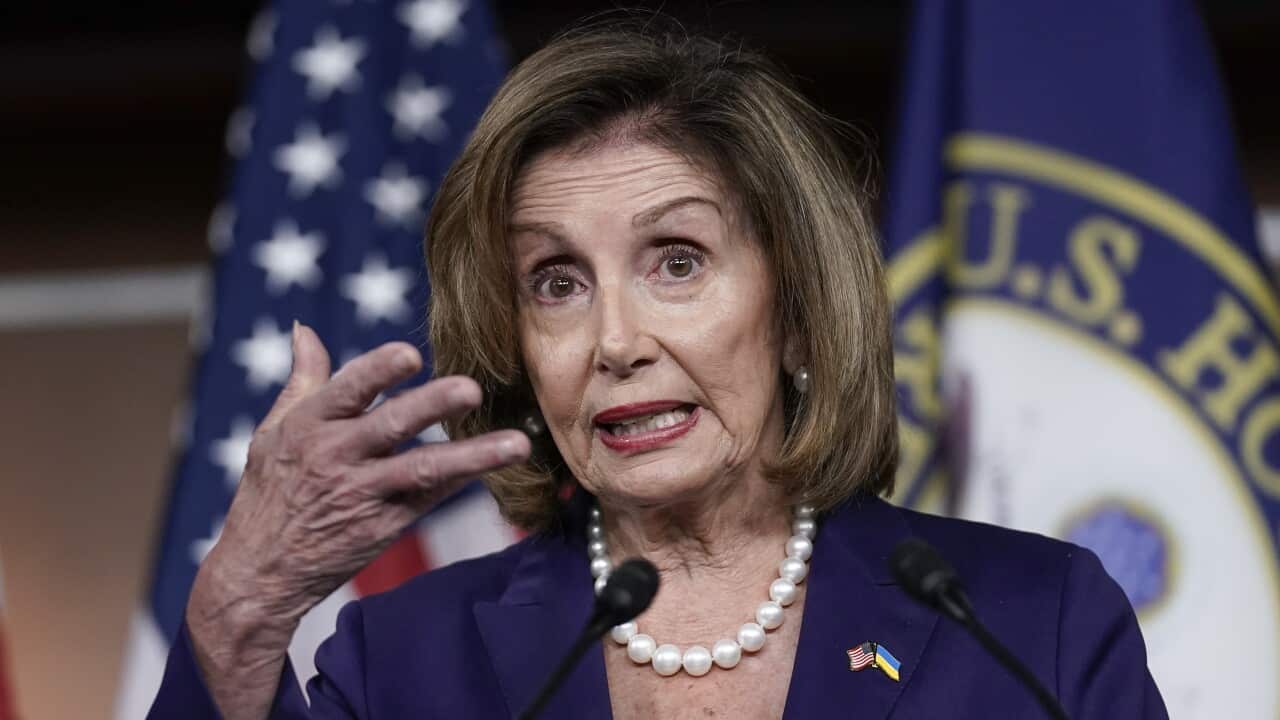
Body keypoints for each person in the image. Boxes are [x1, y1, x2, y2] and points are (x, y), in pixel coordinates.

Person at [148, 18, 1168, 720]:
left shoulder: (1025, 620)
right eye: (555, 282)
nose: (615, 340)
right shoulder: (408, 662)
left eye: (675, 262)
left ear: (802, 311)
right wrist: (238, 608)